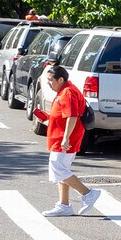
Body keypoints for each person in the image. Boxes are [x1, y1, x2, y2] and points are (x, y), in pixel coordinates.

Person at [39, 64, 97, 216]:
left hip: (64, 139)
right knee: (62, 170)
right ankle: (64, 205)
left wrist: (65, 138)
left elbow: (72, 116)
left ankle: (88, 194)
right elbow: (65, 115)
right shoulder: (66, 90)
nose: (48, 83)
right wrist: (48, 119)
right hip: (63, 137)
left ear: (60, 79)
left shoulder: (67, 92)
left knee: (58, 169)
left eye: (51, 80)